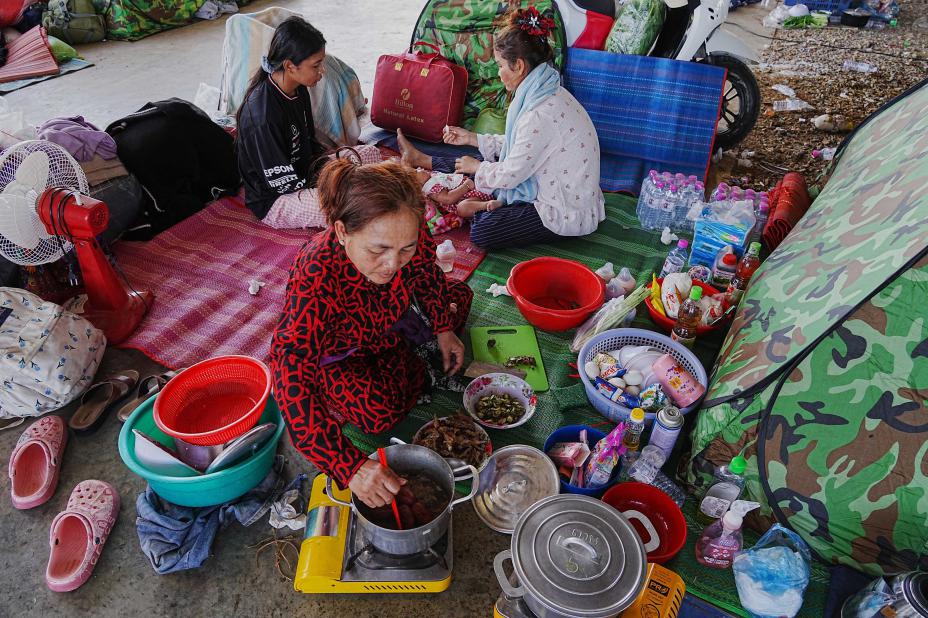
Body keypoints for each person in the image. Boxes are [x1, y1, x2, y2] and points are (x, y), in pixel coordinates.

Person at [270, 159, 472, 509]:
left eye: (405, 249)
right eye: (378, 250)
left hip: (393, 326)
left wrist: (442, 329)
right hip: (345, 354)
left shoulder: (407, 232)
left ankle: (419, 360)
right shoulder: (316, 273)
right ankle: (418, 366)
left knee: (459, 299)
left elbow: (426, 274)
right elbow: (290, 369)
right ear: (342, 232)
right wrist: (350, 467)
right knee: (377, 413)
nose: (393, 265)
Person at [398, 7, 605, 250]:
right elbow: (521, 145)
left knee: (483, 231)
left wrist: (479, 168)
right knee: (476, 161)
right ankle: (423, 159)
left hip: (563, 210)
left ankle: (483, 201)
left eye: (500, 66)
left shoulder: (539, 112)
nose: (498, 73)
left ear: (519, 66)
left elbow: (511, 173)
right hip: (550, 182)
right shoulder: (547, 91)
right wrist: (472, 138)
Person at [236, 16, 382, 230]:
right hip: (277, 199)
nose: (322, 71)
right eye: (316, 65)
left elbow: (309, 145)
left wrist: (336, 171)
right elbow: (282, 183)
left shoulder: (299, 89)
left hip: (307, 173)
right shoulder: (262, 116)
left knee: (370, 154)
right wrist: (339, 181)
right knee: (349, 201)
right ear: (290, 66)